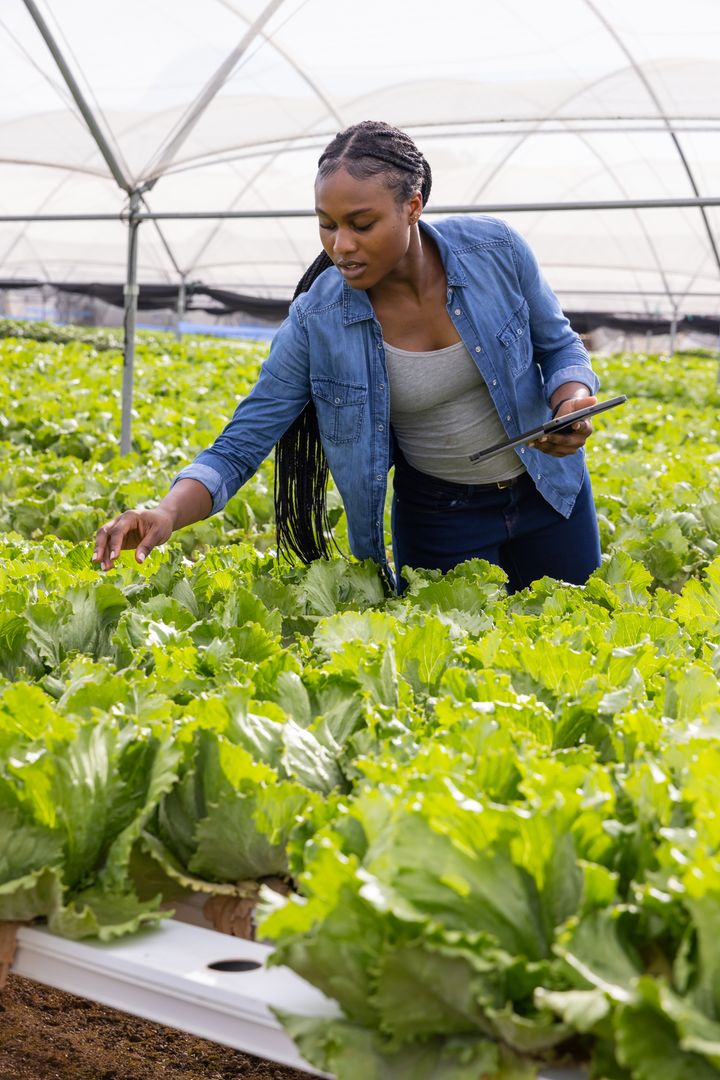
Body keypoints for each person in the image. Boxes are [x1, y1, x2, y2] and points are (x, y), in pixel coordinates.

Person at [93, 120, 601, 593]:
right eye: (327, 225)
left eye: (361, 223)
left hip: (550, 493)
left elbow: (558, 347)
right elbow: (241, 443)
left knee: (577, 648)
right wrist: (166, 512)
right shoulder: (318, 320)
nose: (342, 246)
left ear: (413, 206)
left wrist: (572, 400)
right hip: (443, 518)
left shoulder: (497, 252)